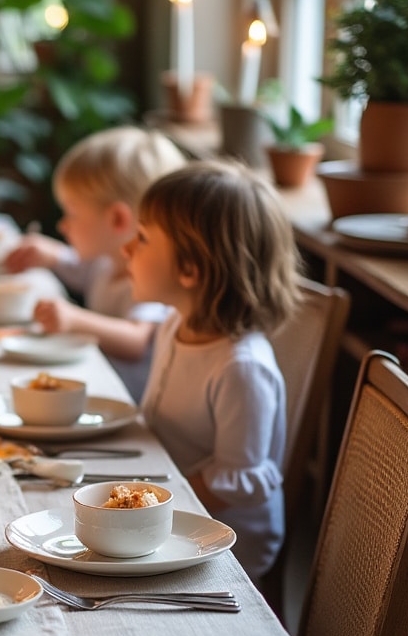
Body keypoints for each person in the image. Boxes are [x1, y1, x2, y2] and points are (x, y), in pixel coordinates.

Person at [126, 161, 302, 579]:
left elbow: (236, 481)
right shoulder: (174, 323)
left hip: (222, 538)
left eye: (143, 238)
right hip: (172, 504)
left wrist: (147, 508)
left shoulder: (240, 369)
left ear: (190, 270)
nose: (126, 248)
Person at [3, 127, 187, 401]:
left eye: (71, 213)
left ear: (118, 220)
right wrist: (51, 255)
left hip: (125, 403)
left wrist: (74, 319)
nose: (62, 225)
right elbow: (78, 268)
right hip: (96, 387)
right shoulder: (106, 263)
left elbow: (136, 340)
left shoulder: (154, 282)